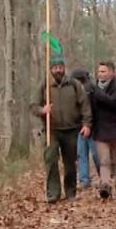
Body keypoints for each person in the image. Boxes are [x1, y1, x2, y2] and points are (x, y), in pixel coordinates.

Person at [37, 56, 91, 202]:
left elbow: (85, 105)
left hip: (71, 129)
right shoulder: (45, 86)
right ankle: (53, 193)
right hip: (51, 130)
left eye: (60, 67)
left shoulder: (74, 85)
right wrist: (43, 110)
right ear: (51, 70)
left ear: (64, 68)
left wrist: (86, 124)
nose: (58, 71)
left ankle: (70, 191)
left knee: (70, 162)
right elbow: (33, 106)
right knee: (51, 160)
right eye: (55, 68)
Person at [87, 61, 116, 199]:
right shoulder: (93, 89)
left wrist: (97, 92)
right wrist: (88, 125)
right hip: (100, 129)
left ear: (112, 72)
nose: (100, 74)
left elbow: (114, 102)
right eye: (99, 72)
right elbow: (89, 109)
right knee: (104, 160)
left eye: (104, 71)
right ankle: (105, 185)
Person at [71, 68, 102, 188]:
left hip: (91, 127)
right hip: (81, 126)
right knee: (83, 154)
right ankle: (85, 179)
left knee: (92, 154)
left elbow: (93, 108)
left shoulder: (89, 89)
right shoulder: (77, 90)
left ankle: (93, 178)